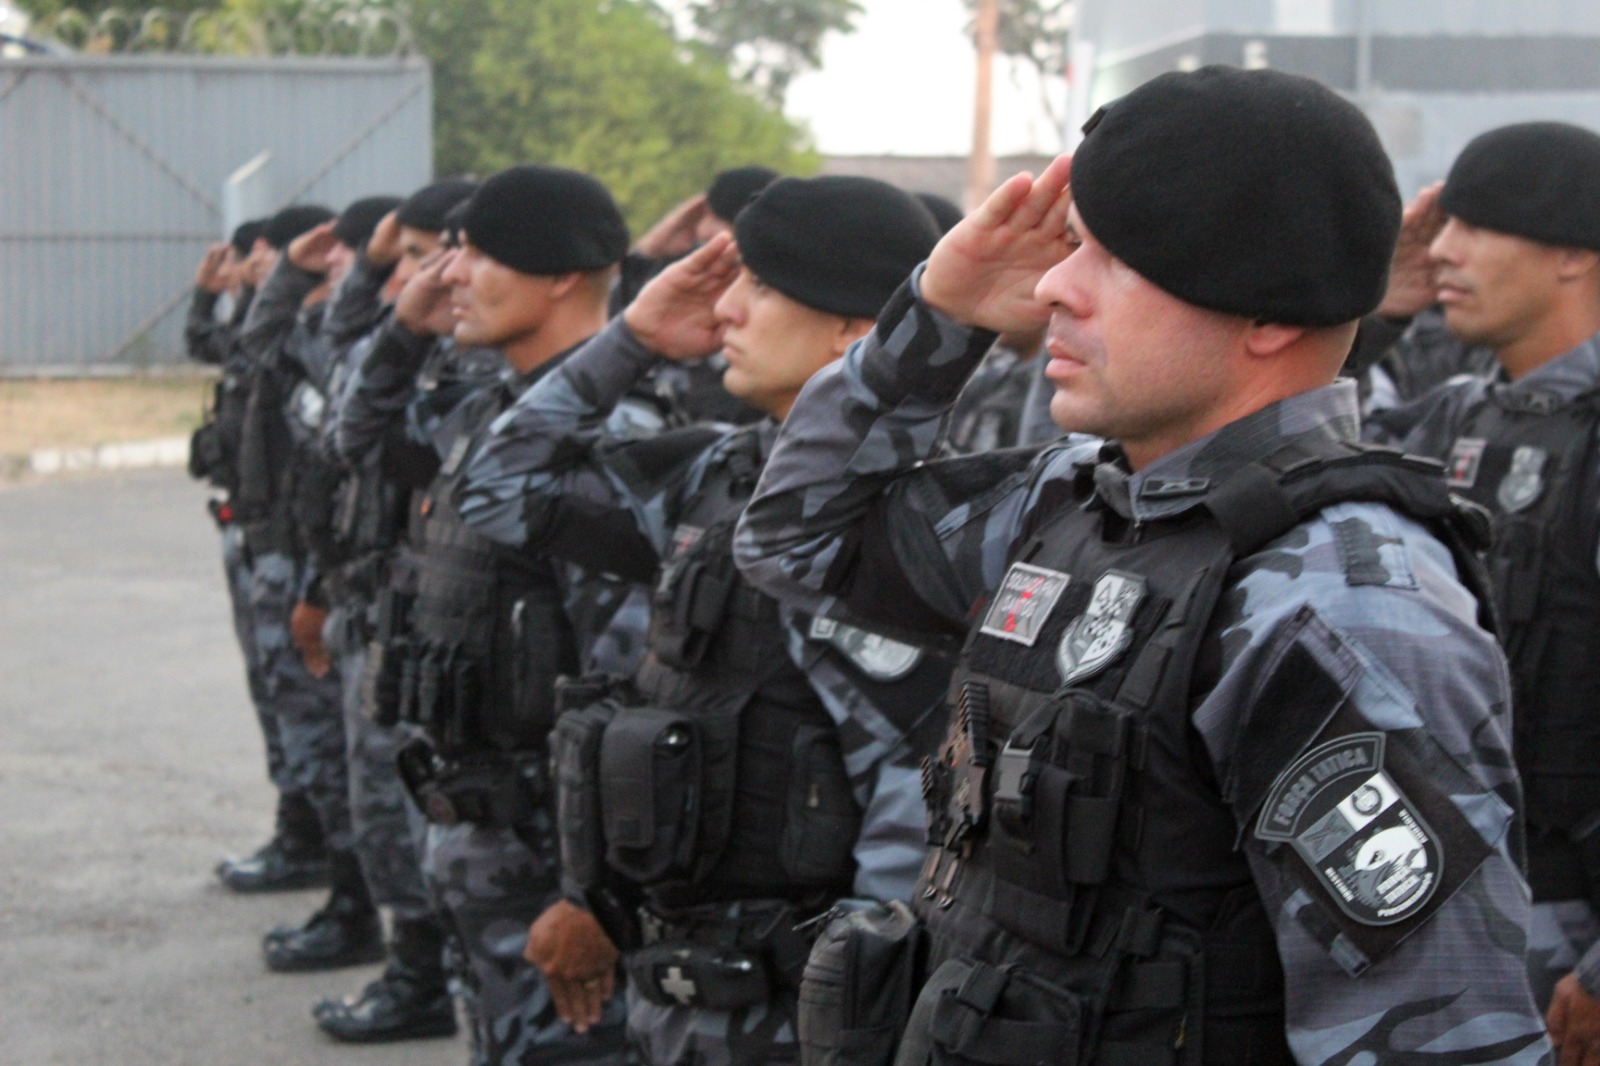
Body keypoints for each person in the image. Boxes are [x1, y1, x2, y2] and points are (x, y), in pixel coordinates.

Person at [734, 67, 1550, 1064]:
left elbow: (1438, 1035)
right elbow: (795, 542)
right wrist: (935, 318)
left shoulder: (1337, 599)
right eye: (1075, 245)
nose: (1050, 288)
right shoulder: (1076, 499)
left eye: (1112, 261)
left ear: (1266, 315)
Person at [454, 174, 951, 1066]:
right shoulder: (717, 471)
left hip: (793, 1014)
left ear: (855, 331)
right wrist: (632, 338)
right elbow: (495, 491)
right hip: (677, 986)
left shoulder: (904, 515)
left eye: (760, 286)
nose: (724, 309)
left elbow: (909, 808)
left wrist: (853, 1021)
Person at [338, 164, 651, 1065]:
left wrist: (592, 892)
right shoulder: (490, 409)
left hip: (549, 859)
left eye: (478, 255)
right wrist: (402, 331)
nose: (450, 275)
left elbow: (629, 682)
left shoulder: (608, 438)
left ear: (559, 276)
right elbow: (358, 440)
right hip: (481, 840)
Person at [1365, 121, 1600, 1049]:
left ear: (1577, 250)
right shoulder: (1462, 411)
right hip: (1465, 892)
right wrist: (1377, 310)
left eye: (1479, 225)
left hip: (1570, 912)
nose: (1444, 250)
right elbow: (1295, 442)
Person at [310, 178, 478, 1045]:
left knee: (428, 823)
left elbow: (354, 419)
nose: (425, 276)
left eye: (439, 256)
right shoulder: (436, 359)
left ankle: (428, 971)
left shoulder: (487, 376)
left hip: (455, 643)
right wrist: (383, 288)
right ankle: (420, 967)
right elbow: (343, 393)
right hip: (396, 621)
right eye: (415, 257)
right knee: (388, 810)